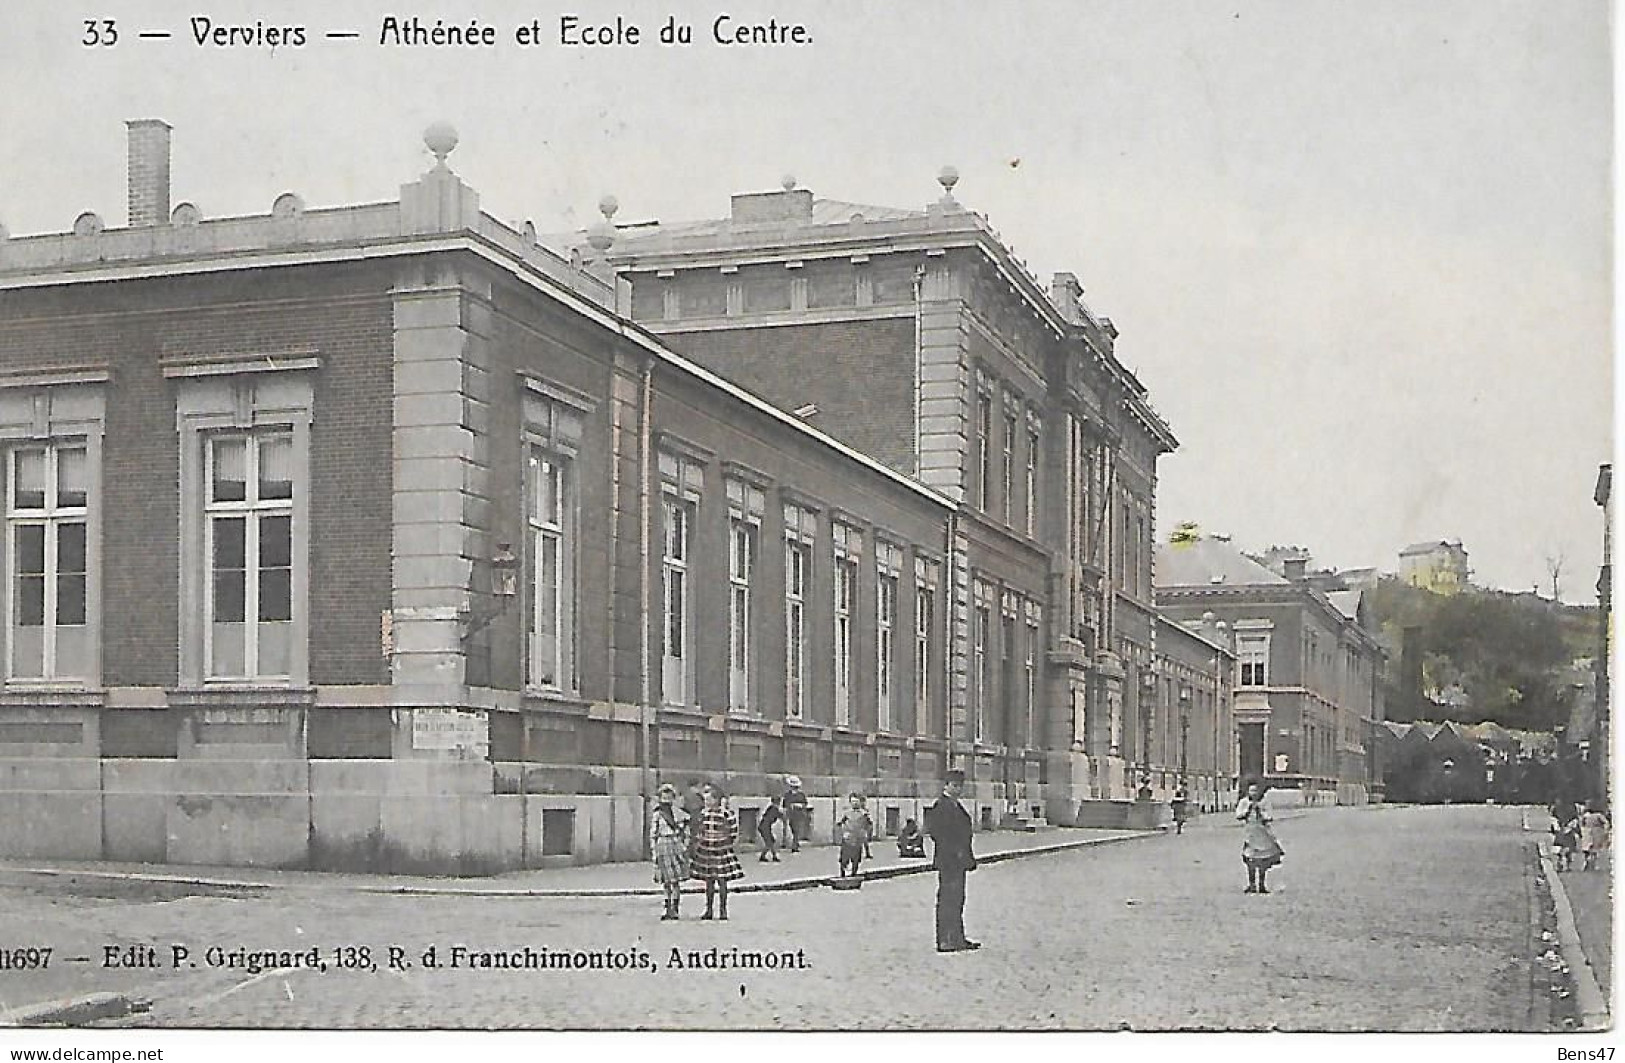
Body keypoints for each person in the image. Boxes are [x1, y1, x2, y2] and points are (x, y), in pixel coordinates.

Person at [925, 769, 979, 952]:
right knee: (947, 899)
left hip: (960, 861)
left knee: (958, 899)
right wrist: (954, 851)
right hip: (948, 861)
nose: (957, 789)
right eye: (954, 785)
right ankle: (944, 939)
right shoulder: (940, 806)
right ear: (946, 785)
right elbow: (936, 832)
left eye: (960, 786)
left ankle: (957, 937)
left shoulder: (957, 806)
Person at [690, 783, 744, 919]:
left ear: (717, 800)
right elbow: (700, 829)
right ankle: (708, 909)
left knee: (722, 881)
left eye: (710, 800)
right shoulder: (704, 814)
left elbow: (733, 832)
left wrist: (725, 844)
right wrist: (700, 841)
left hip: (721, 850)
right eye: (706, 800)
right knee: (709, 881)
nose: (707, 803)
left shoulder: (726, 814)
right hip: (707, 850)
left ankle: (723, 910)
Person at [648, 783, 690, 920]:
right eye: (664, 797)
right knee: (666, 881)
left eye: (669, 797)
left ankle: (675, 908)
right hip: (662, 845)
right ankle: (667, 908)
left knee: (676, 880)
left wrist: (684, 845)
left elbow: (686, 830)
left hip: (675, 844)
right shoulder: (657, 814)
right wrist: (654, 852)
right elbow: (653, 834)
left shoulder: (679, 813)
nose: (666, 800)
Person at [1235, 780, 1284, 894]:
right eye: (1251, 790)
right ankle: (1252, 884)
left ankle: (1261, 884)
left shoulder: (1265, 802)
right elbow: (1238, 815)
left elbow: (1269, 816)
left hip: (1263, 834)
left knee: (1263, 861)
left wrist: (1261, 812)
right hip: (1250, 834)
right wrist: (1247, 810)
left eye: (1256, 790)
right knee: (1249, 859)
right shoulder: (1244, 802)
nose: (1254, 793)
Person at [836, 793, 874, 877]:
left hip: (858, 839)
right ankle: (842, 872)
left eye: (856, 802)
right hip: (847, 838)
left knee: (856, 858)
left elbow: (870, 824)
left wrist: (866, 832)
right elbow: (839, 823)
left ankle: (854, 873)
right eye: (853, 802)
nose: (855, 804)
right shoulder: (847, 813)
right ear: (850, 803)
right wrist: (842, 833)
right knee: (844, 857)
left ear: (860, 803)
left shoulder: (864, 813)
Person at [782, 775, 810, 853]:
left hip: (799, 814)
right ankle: (794, 843)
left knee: (797, 830)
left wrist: (800, 805)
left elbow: (805, 804)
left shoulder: (801, 795)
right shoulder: (787, 795)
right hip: (791, 815)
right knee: (794, 830)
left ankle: (795, 845)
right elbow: (785, 805)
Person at [1551, 801, 1580, 872]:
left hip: (1560, 834)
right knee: (1568, 850)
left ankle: (1559, 864)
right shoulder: (1573, 816)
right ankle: (1566, 865)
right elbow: (1575, 825)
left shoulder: (1555, 816)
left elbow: (1553, 827)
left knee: (1560, 850)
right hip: (1568, 834)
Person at [1579, 806, 1609, 871]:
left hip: (1590, 832)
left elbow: (1582, 824)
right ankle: (1591, 864)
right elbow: (1606, 823)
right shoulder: (1598, 815)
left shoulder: (1586, 816)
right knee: (1592, 849)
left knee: (1590, 848)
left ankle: (1590, 863)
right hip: (1593, 832)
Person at [757, 794, 784, 863]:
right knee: (769, 842)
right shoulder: (774, 809)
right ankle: (763, 856)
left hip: (764, 826)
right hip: (765, 827)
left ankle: (774, 856)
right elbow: (781, 816)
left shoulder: (771, 808)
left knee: (771, 841)